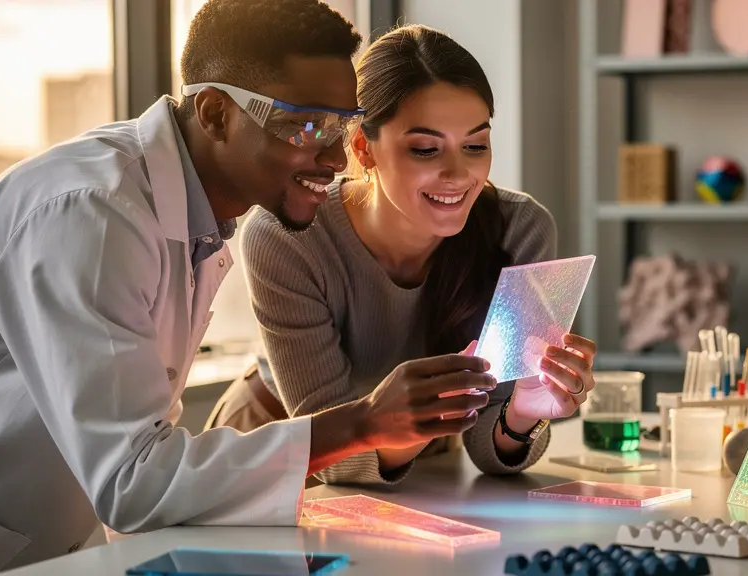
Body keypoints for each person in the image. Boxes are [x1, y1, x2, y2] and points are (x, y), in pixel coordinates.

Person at [0, 4, 495, 574]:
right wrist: (364, 421)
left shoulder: (195, 214)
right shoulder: (95, 214)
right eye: (306, 125)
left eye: (343, 125)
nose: (337, 157)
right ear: (217, 112)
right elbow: (133, 479)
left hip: (47, 542)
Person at [206, 24, 598, 484]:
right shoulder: (288, 235)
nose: (457, 174)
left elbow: (491, 452)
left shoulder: (520, 230)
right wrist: (423, 423)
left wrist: (522, 413)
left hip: (423, 459)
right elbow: (332, 452)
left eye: (475, 145)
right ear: (362, 149)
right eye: (426, 149)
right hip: (279, 450)